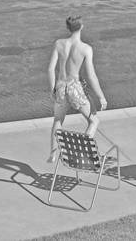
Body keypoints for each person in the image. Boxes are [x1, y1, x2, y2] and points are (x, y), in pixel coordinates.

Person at [47, 15, 107, 163]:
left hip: (61, 86)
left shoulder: (59, 44)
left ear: (68, 28)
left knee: (58, 120)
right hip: (75, 88)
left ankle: (53, 154)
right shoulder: (86, 49)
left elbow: (50, 70)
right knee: (94, 122)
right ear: (81, 27)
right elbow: (91, 76)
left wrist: (52, 90)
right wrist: (101, 96)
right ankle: (80, 153)